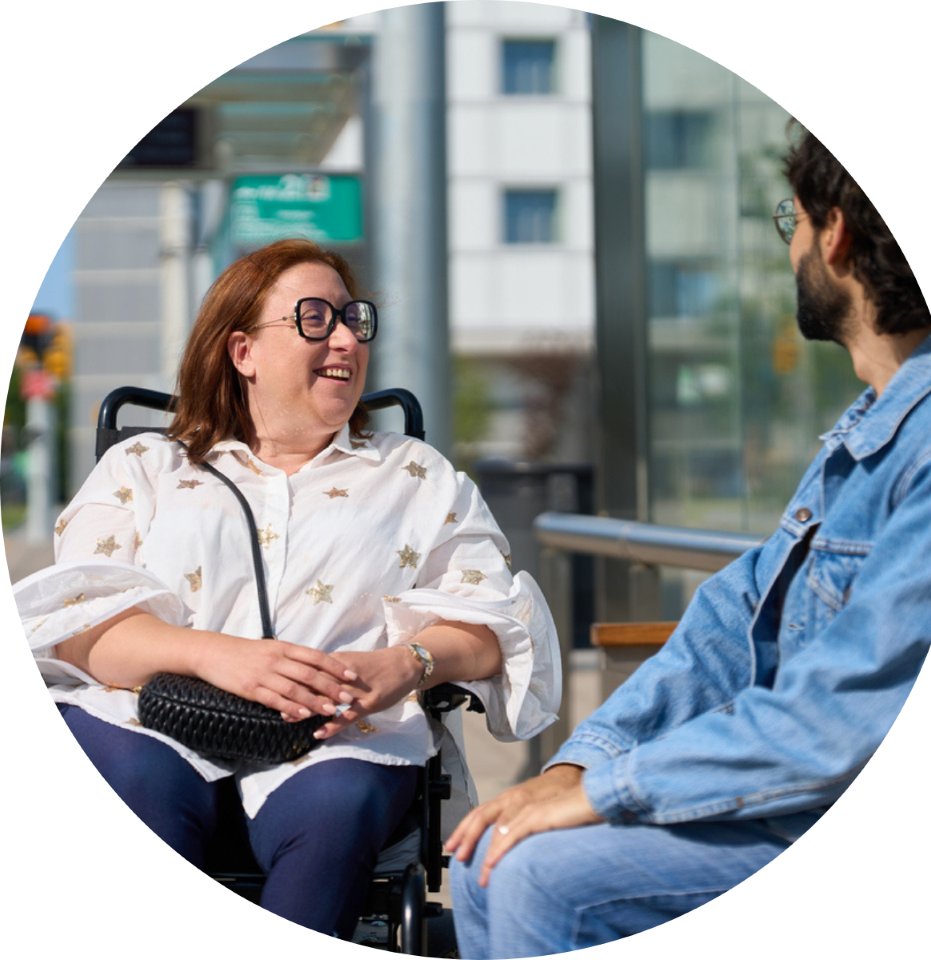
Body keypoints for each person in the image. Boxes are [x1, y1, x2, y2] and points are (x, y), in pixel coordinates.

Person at [447, 127, 931, 958]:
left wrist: (614, 791)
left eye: (788, 221)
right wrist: (582, 766)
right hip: (801, 788)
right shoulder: (875, 424)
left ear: (835, 233)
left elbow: (842, 717)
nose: (788, 247)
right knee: (484, 859)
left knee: (536, 876)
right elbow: (733, 619)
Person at [12, 238, 561, 944]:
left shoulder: (417, 476)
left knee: (336, 807)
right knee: (135, 793)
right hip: (148, 714)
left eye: (351, 319)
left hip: (340, 735)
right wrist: (218, 656)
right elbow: (77, 626)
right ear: (242, 352)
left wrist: (409, 664)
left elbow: (491, 624)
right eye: (313, 317)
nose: (343, 338)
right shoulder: (143, 466)